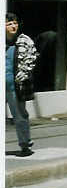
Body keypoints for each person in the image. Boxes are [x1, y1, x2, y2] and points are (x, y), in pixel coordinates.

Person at [6, 13, 37, 156]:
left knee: (20, 116)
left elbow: (31, 59)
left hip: (14, 86)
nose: (13, 26)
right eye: (9, 23)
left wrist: (23, 76)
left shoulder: (24, 41)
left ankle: (25, 145)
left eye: (15, 23)